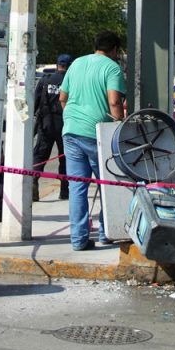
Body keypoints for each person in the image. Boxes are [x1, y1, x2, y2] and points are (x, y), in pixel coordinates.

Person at [58, 31, 126, 251]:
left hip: (71, 130)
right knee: (107, 184)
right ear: (115, 49)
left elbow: (62, 98)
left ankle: (78, 239)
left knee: (77, 187)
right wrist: (119, 128)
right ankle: (107, 234)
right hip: (97, 134)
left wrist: (74, 118)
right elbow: (115, 102)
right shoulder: (112, 68)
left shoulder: (76, 63)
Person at [31, 54, 70, 202]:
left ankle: (33, 184)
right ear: (69, 66)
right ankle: (64, 190)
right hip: (64, 123)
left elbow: (35, 102)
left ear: (57, 65)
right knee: (64, 158)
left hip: (45, 123)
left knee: (40, 155)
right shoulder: (69, 80)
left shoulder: (46, 80)